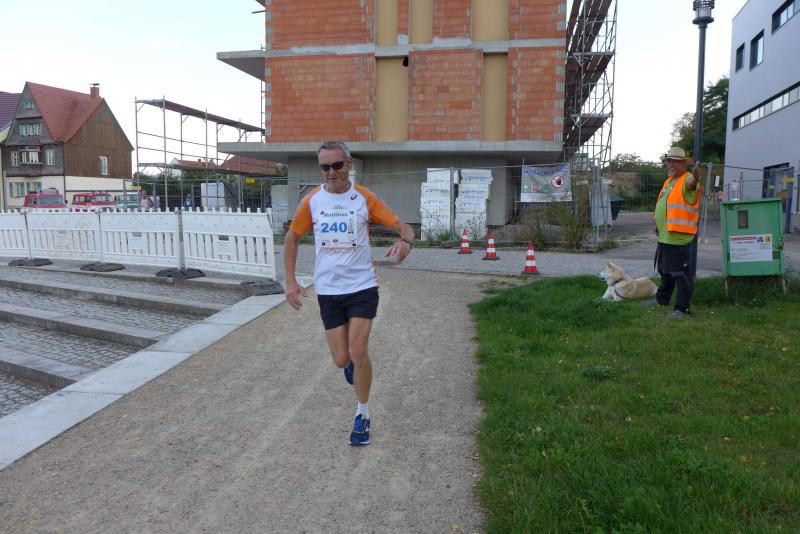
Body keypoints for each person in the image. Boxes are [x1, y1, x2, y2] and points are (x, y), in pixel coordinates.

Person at [283, 140, 414, 446]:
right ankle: (353, 364)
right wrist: (290, 281)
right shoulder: (312, 201)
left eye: (337, 165)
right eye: (325, 167)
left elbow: (404, 227)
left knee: (358, 350)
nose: (332, 172)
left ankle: (362, 414)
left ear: (349, 164)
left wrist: (405, 242)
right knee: (341, 360)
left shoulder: (364, 198)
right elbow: (291, 237)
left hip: (361, 287)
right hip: (329, 290)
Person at [645, 146, 701, 318]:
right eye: (669, 161)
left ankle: (682, 308)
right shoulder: (669, 181)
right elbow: (663, 204)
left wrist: (696, 177)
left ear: (683, 164)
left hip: (678, 236)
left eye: (675, 161)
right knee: (665, 270)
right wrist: (657, 222)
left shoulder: (687, 178)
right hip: (665, 234)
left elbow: (692, 185)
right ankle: (662, 299)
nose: (670, 164)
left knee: (679, 273)